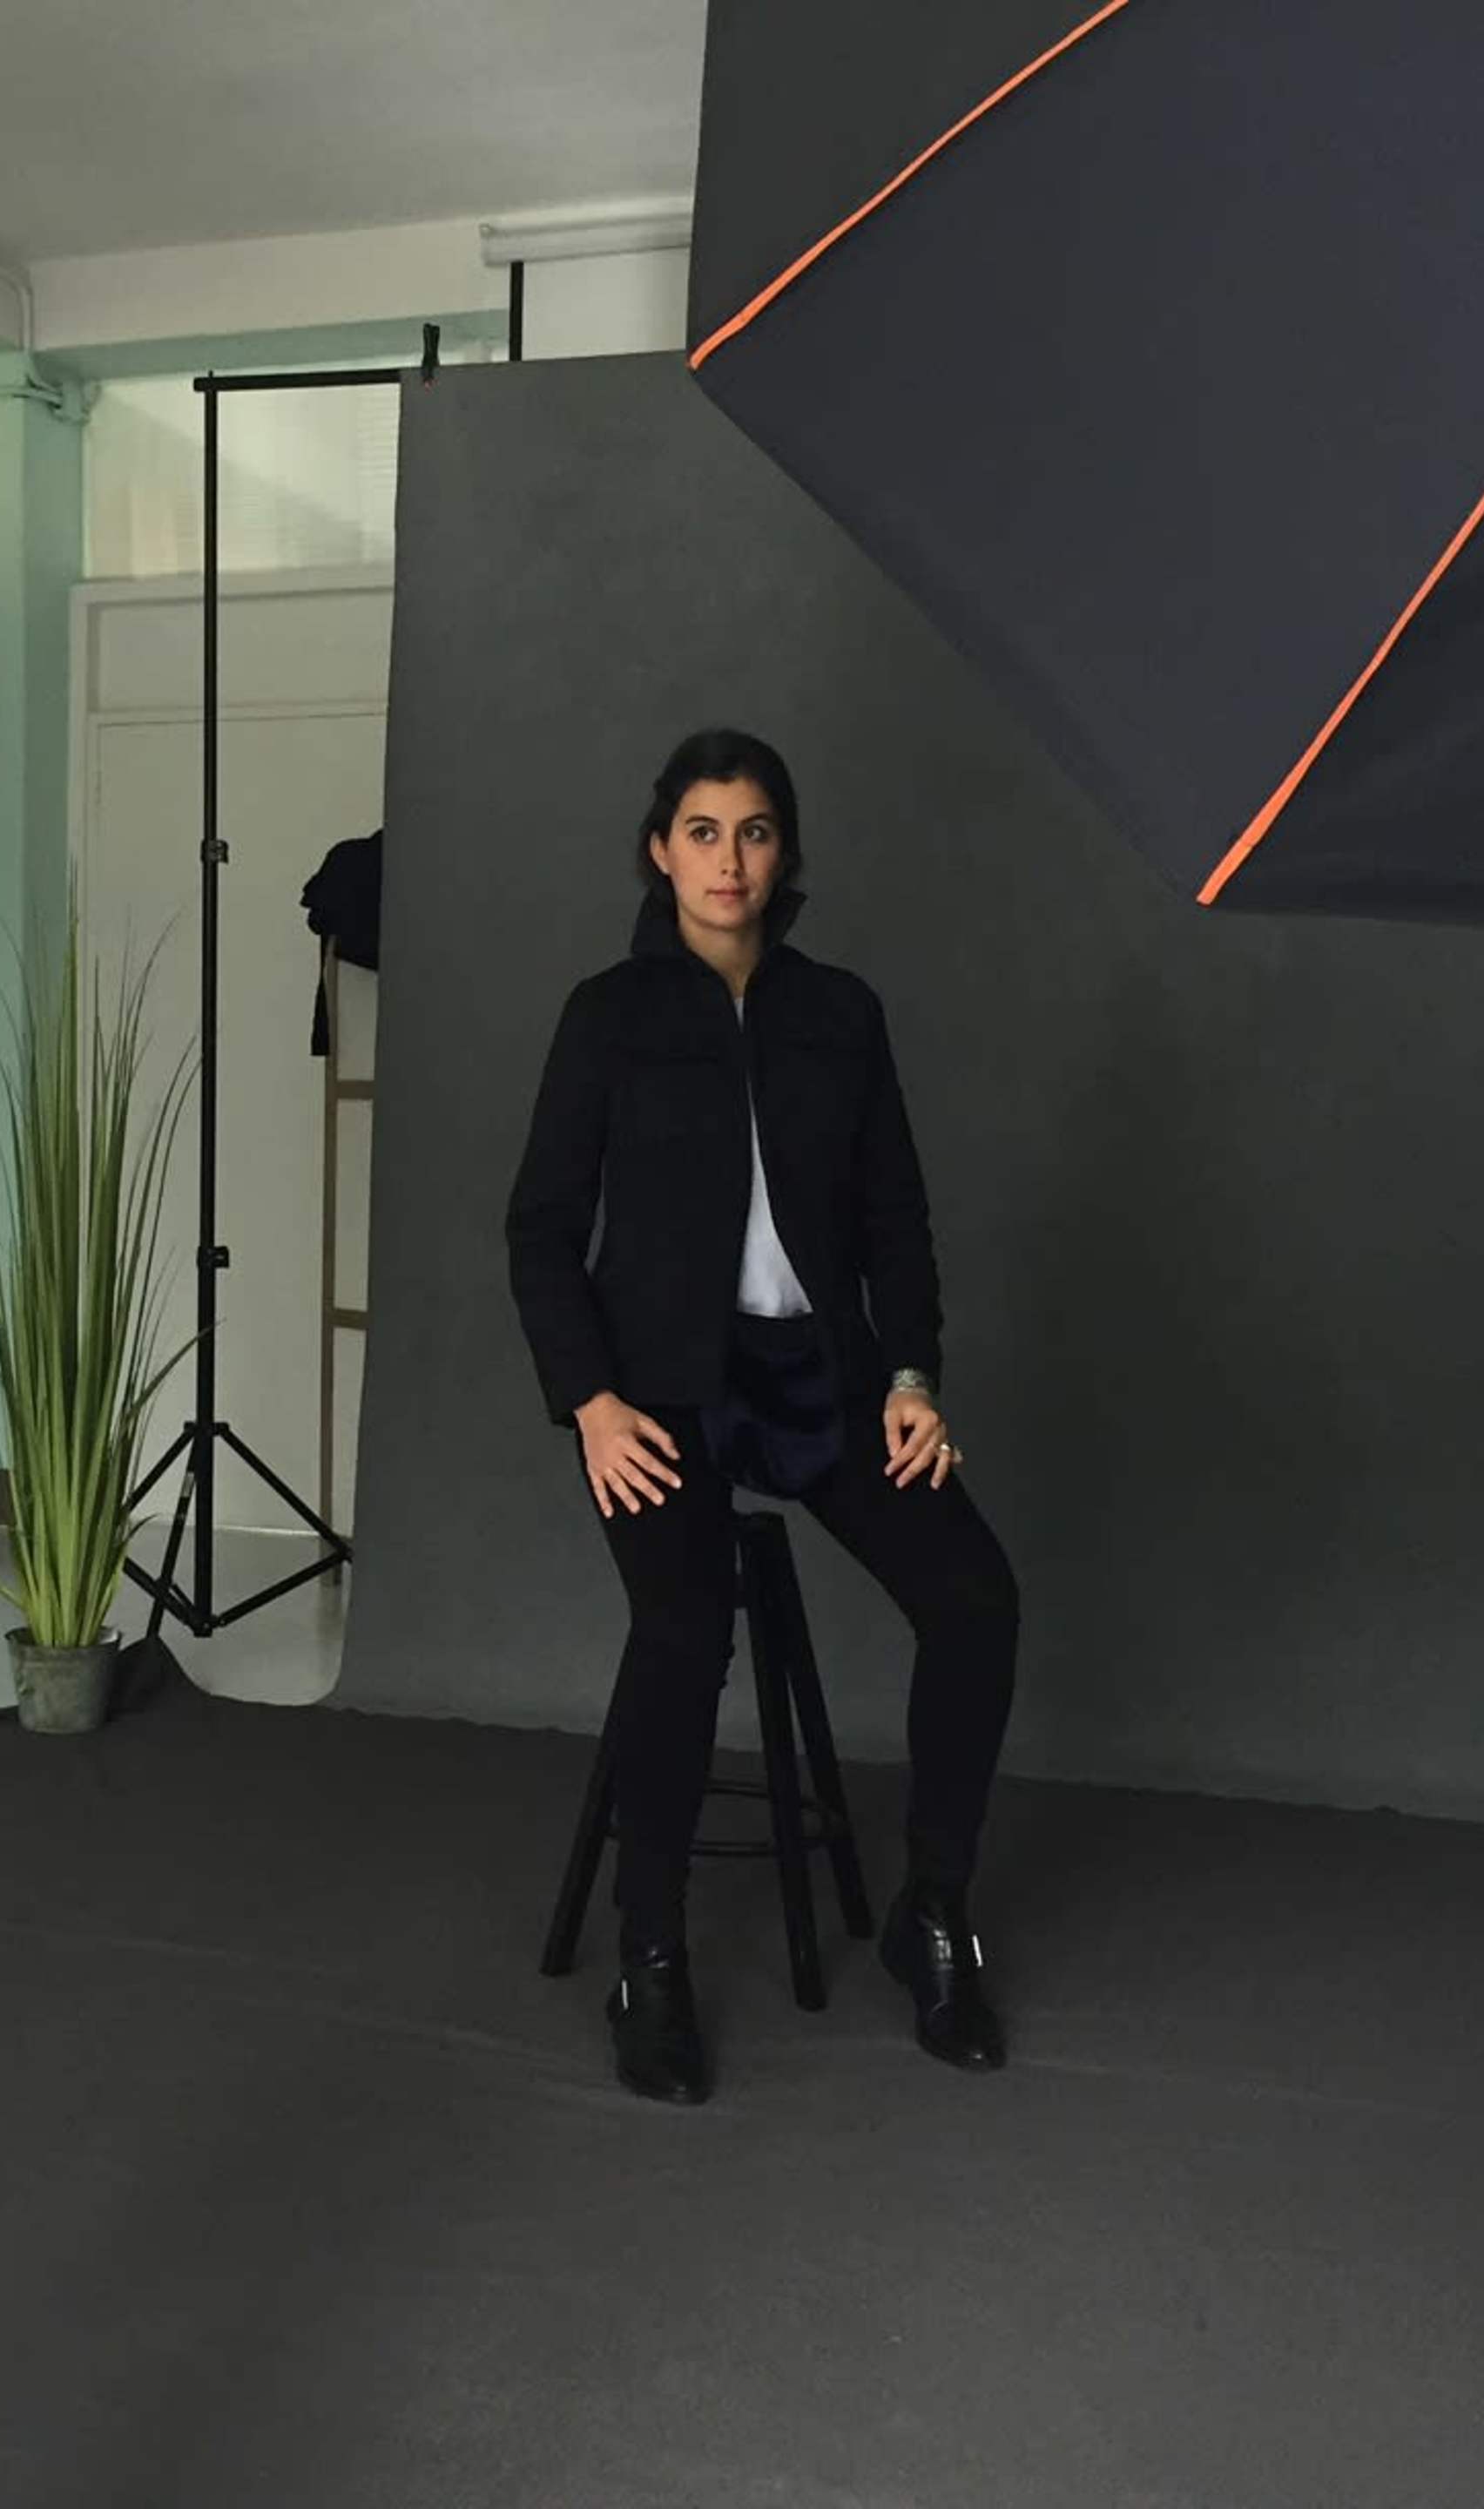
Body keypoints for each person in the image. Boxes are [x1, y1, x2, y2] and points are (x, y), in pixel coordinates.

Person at [505, 728, 1022, 2107]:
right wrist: (592, 1404)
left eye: (754, 832)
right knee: (682, 1629)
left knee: (976, 1598)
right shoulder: (607, 1016)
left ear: (783, 852)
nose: (728, 860)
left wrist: (911, 1377)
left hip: (822, 1380)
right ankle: (652, 1958)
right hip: (659, 1392)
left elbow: (895, 1217)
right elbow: (542, 1229)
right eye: (701, 830)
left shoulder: (839, 1014)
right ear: (659, 849)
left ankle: (934, 1912)